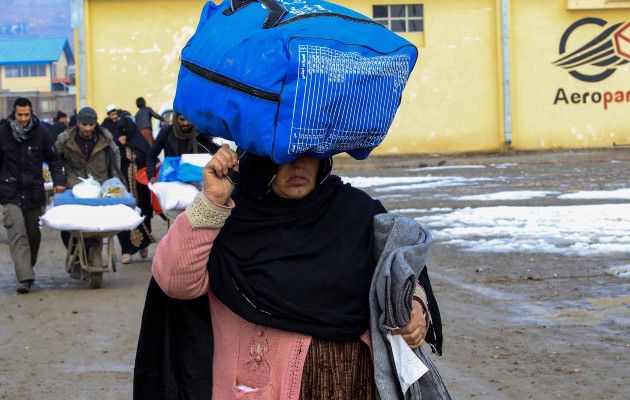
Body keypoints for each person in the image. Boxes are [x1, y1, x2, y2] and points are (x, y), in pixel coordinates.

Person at [134, 146, 447, 399]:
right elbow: (175, 282)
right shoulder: (230, 220)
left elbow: (400, 268)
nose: (299, 166)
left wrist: (416, 306)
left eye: (310, 152)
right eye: (284, 156)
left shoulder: (355, 211)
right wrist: (213, 200)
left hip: (358, 385)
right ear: (259, 159)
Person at [0, 97, 66, 293]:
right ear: (14, 113)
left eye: (26, 114)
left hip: (34, 193)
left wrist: (59, 182)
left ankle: (27, 266)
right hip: (10, 193)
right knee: (17, 232)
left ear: (31, 113)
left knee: (33, 235)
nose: (22, 118)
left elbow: (54, 160)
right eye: (19, 115)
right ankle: (25, 278)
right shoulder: (3, 134)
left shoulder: (42, 133)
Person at [55, 106, 123, 278]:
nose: (87, 129)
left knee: (97, 227)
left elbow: (115, 159)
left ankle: (93, 256)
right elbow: (55, 160)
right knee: (69, 229)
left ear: (95, 124)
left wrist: (114, 183)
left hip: (99, 189)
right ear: (78, 123)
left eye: (91, 125)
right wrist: (59, 182)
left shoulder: (105, 138)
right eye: (84, 124)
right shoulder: (65, 139)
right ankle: (77, 256)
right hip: (75, 189)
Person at [107, 107, 155, 264]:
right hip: (122, 190)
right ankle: (126, 250)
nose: (123, 133)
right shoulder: (116, 145)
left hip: (140, 190)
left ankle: (143, 245)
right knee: (122, 217)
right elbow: (110, 161)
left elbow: (149, 159)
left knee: (143, 215)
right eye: (120, 130)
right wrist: (118, 144)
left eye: (125, 130)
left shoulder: (140, 144)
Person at [145, 112, 219, 184]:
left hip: (196, 181)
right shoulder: (166, 131)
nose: (185, 123)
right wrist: (152, 177)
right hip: (172, 182)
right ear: (176, 119)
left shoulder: (201, 133)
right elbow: (151, 155)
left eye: (188, 119)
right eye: (182, 119)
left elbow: (211, 155)